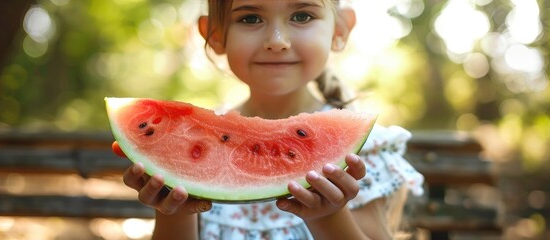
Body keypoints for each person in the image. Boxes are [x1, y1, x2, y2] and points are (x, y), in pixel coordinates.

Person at [114, 0, 424, 239]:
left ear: (340, 30)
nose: (277, 40)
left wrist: (326, 216)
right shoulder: (193, 144)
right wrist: (173, 209)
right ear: (215, 35)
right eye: (250, 18)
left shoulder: (366, 152)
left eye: (302, 15)